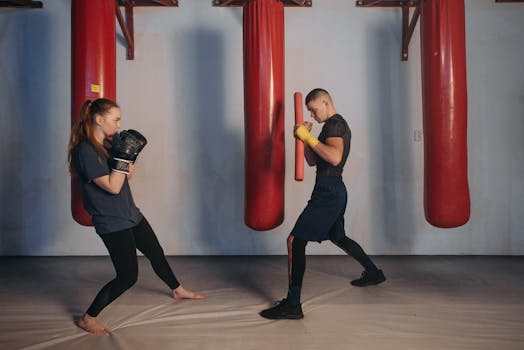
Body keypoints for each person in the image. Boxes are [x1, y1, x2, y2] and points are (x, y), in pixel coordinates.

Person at [68, 98, 204, 334]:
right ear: (99, 120)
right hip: (112, 221)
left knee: (155, 252)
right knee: (128, 276)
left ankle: (177, 289)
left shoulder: (108, 145)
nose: (119, 125)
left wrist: (130, 156)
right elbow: (113, 186)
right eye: (115, 120)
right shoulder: (85, 152)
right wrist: (122, 160)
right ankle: (87, 318)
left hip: (130, 213)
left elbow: (126, 176)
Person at [260, 88, 385, 320]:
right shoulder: (328, 128)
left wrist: (309, 137)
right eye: (309, 111)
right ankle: (374, 273)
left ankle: (293, 304)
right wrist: (303, 138)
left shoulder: (335, 124)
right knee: (338, 237)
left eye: (313, 110)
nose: (313, 115)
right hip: (333, 190)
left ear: (325, 102)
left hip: (329, 193)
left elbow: (335, 157)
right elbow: (311, 161)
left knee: (295, 241)